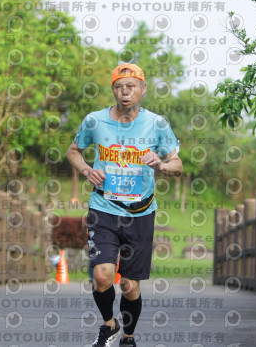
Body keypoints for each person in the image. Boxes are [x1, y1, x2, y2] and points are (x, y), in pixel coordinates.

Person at [67, 63, 183, 347]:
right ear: (113, 90)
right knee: (102, 275)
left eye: (131, 86)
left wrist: (161, 164)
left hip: (141, 213)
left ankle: (128, 337)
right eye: (119, 87)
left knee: (129, 285)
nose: (125, 92)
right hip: (103, 208)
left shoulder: (157, 124)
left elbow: (178, 165)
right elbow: (73, 151)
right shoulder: (95, 121)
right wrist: (86, 170)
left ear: (143, 89)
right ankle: (109, 324)